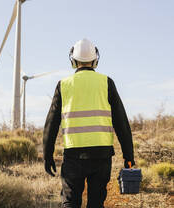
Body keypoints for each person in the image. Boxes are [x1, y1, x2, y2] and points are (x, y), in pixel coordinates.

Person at [43, 38, 135, 208]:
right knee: (96, 203)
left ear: (73, 60)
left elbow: (51, 124)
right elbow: (121, 122)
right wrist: (128, 156)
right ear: (95, 60)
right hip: (102, 155)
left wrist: (47, 155)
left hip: (73, 155)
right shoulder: (106, 82)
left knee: (70, 202)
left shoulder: (63, 85)